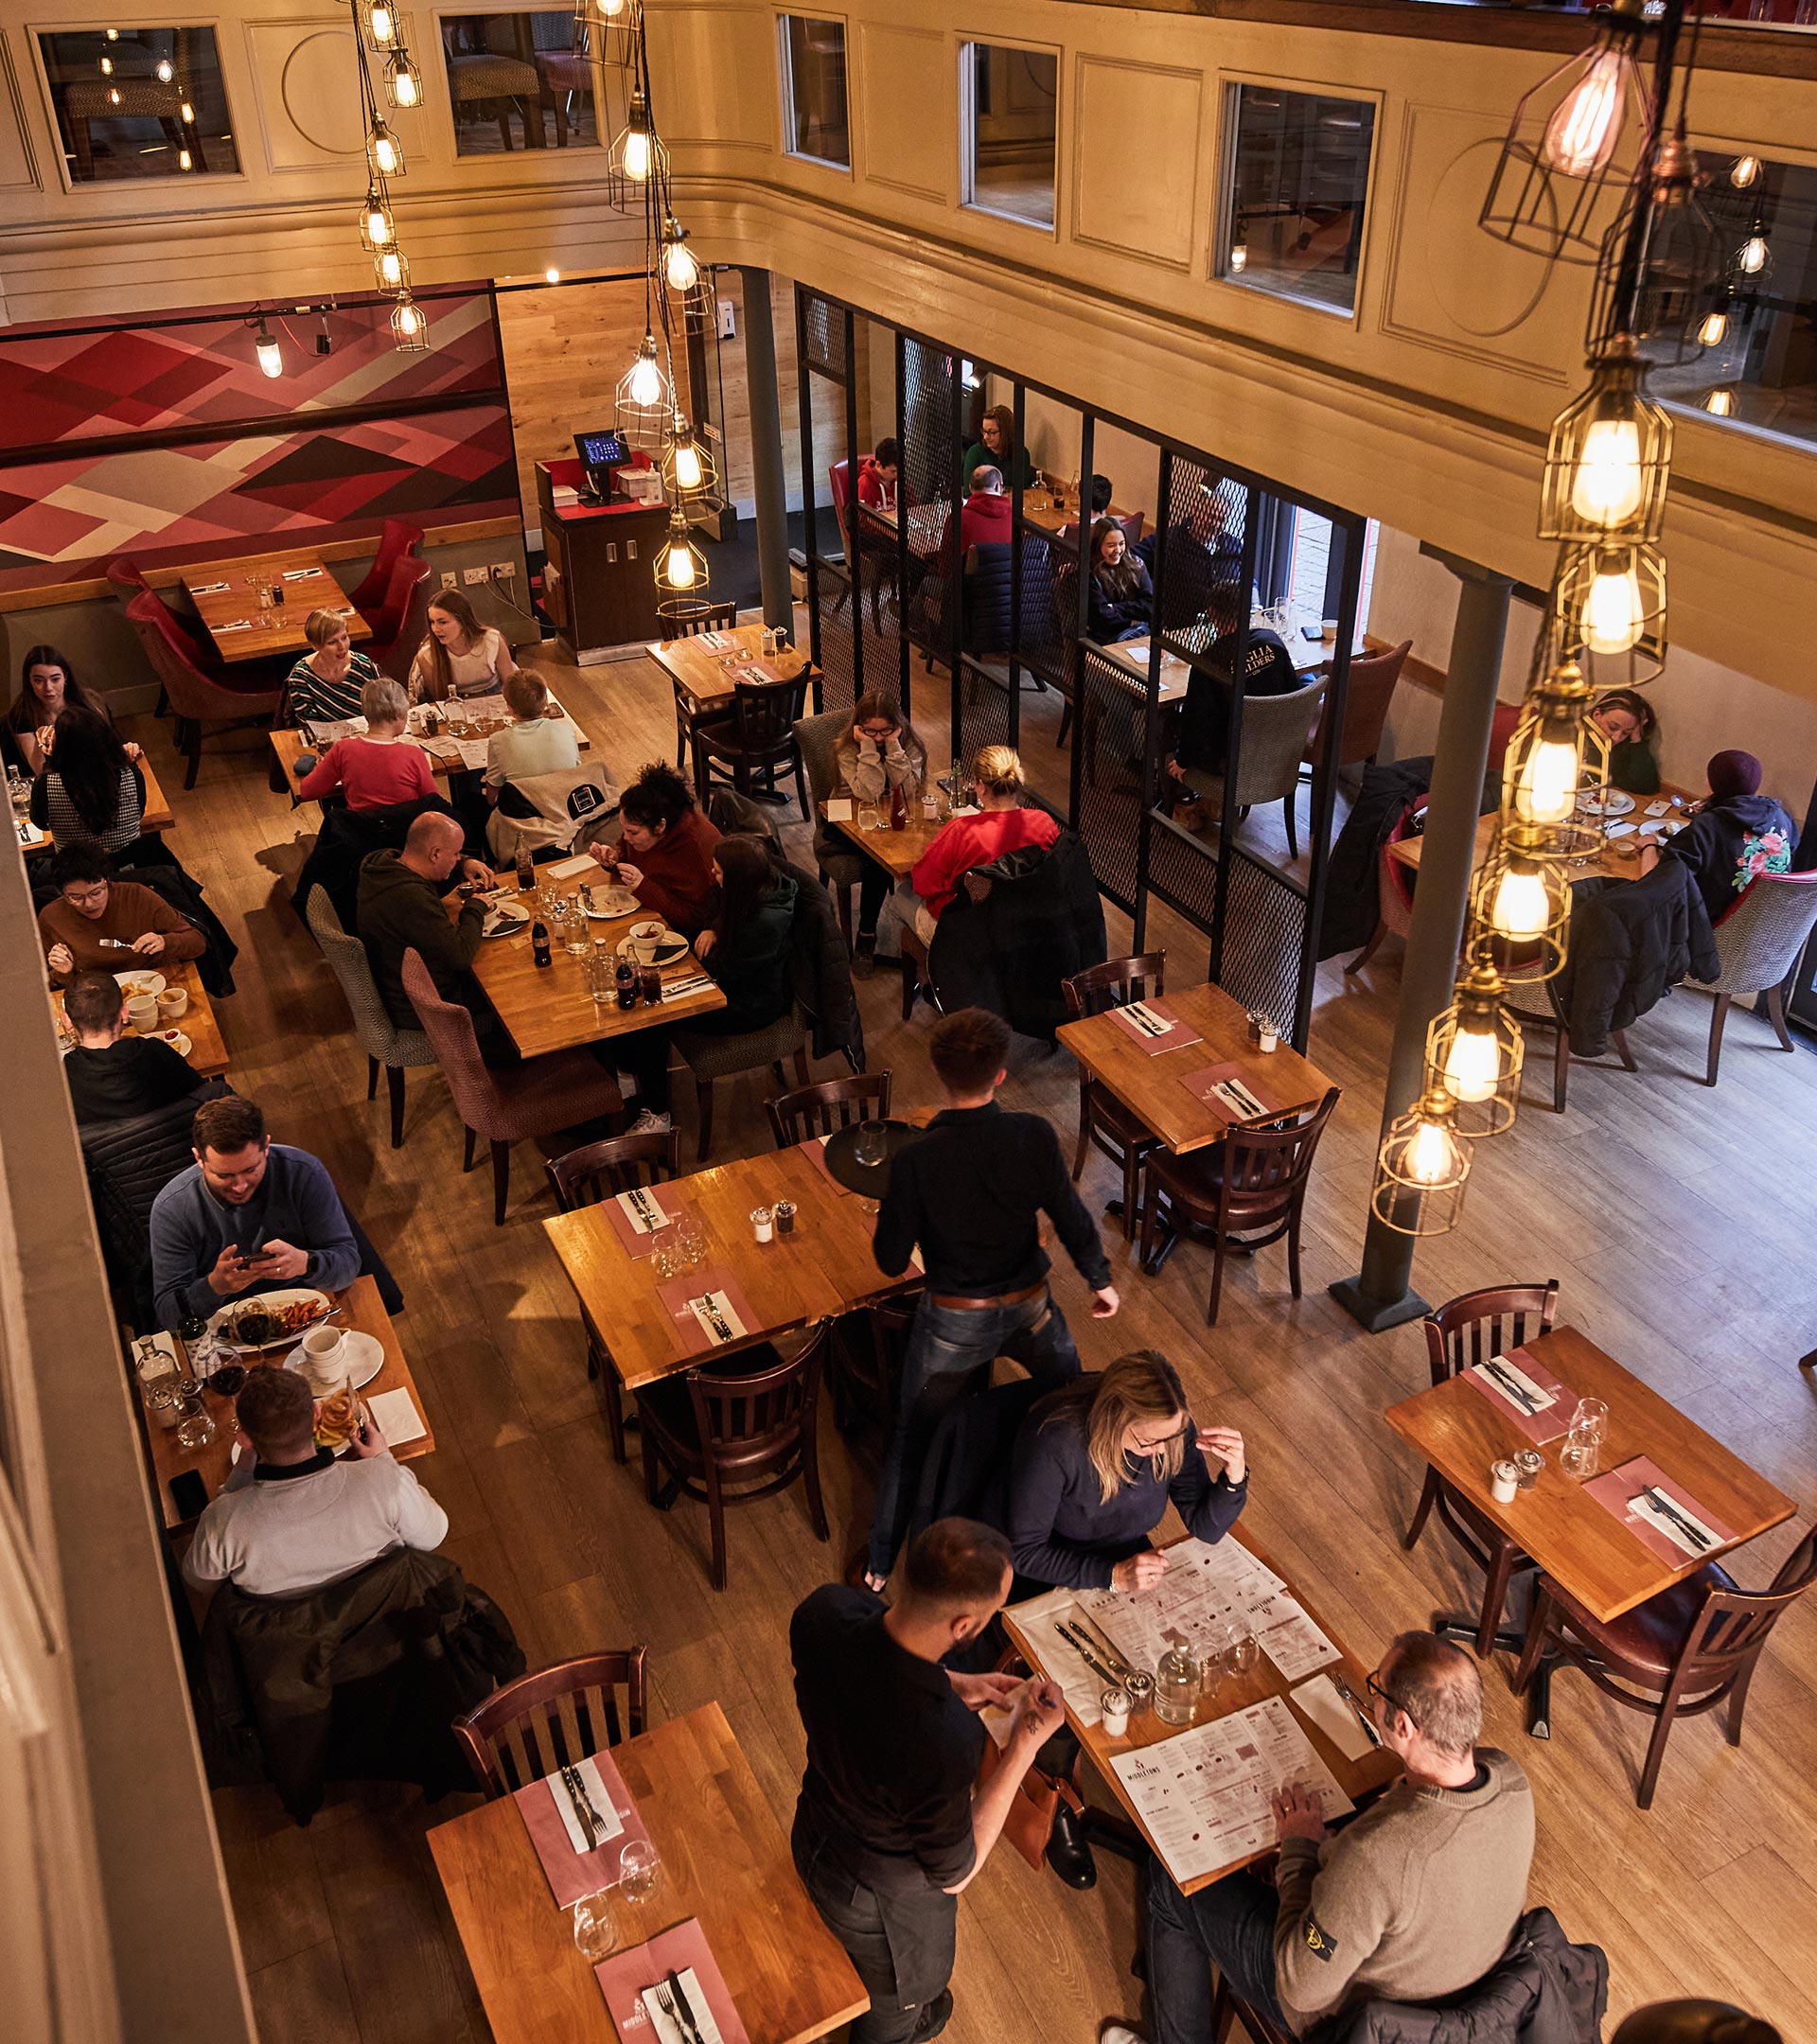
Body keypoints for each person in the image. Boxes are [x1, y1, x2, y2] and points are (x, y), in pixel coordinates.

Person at [1103, 1631, 1534, 2044]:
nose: (1369, 1697)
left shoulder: (1378, 1858)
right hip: (1454, 1994)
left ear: (1402, 1725)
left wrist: (1298, 1852)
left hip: (1343, 2018)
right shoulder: (1510, 1777)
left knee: (1169, 1877)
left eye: (1376, 1690)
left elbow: (1301, 1987)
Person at [864, 1007, 1119, 1591]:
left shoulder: (916, 1161)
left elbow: (887, 1259)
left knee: (911, 1434)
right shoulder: (1031, 1136)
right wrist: (1099, 1279)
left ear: (936, 1070)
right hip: (1031, 1308)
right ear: (1001, 1073)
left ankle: (881, 1564)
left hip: (953, 1323)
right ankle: (1082, 1531)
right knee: (1075, 1412)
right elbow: (1071, 1216)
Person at [790, 1517, 1068, 2044]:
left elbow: (874, 1668)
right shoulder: (939, 1745)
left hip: (813, 1830)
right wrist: (1024, 1746)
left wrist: (953, 1682)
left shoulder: (824, 1611)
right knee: (892, 2011)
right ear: (964, 1626)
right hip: (879, 1903)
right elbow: (956, 1873)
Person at [1002, 1352, 1249, 1885]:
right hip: (1051, 1576)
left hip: (1126, 1566)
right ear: (1114, 1420)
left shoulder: (1170, 1435)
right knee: (1069, 1697)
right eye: (1150, 1443)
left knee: (1171, 1670)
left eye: (1174, 1438)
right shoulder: (1057, 1443)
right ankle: (1058, 1795)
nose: (1164, 1452)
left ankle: (1161, 1786)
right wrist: (1112, 1576)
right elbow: (1023, 1551)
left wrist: (1233, 1475)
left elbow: (1204, 1525)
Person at [182, 1364, 449, 1596]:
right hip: (389, 1630)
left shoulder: (222, 1522)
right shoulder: (384, 1481)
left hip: (297, 1649)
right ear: (316, 1412)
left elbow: (201, 1583)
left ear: (244, 1440)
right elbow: (434, 1534)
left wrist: (238, 1478)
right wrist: (383, 1459)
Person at [613, 836, 799, 1131]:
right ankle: (633, 1074)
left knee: (653, 1015)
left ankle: (659, 1115)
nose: (712, 875)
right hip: (728, 982)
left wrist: (689, 968)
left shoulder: (765, 922)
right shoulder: (751, 889)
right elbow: (713, 898)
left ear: (737, 878)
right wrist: (713, 928)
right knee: (644, 993)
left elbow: (732, 969)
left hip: (749, 1004)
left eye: (719, 872)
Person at [150, 1095, 362, 1331]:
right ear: (199, 1159)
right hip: (223, 1325)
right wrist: (214, 1287)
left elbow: (348, 1266)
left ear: (267, 1147)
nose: (239, 1186)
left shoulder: (303, 1173)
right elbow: (169, 1316)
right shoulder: (172, 1209)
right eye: (224, 1176)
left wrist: (306, 1263)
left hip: (307, 1312)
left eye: (251, 1170)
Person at [356, 811, 502, 1052]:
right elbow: (460, 956)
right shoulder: (410, 897)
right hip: (425, 1006)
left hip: (398, 986)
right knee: (505, 990)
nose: (458, 859)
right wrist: (475, 906)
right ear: (435, 853)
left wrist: (463, 864)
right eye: (455, 854)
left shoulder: (384, 867)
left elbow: (413, 921)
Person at [906, 746, 1058, 945]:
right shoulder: (1044, 823)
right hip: (1027, 928)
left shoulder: (962, 831)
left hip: (972, 933)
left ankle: (927, 971)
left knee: (901, 894)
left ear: (981, 787)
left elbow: (923, 884)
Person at [831, 690, 928, 975]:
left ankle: (925, 929)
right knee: (877, 864)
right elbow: (868, 792)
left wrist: (895, 747)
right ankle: (866, 936)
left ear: (897, 725)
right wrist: (870, 750)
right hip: (850, 822)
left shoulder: (907, 743)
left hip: (895, 817)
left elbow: (910, 788)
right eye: (870, 731)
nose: (877, 737)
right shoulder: (847, 748)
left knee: (930, 852)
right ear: (859, 728)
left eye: (885, 730)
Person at [1641, 749, 1798, 925]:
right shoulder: (1782, 817)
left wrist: (1649, 845)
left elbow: (1655, 885)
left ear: (1711, 783)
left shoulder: (1707, 827)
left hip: (1710, 934)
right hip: (1764, 929)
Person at [39, 843, 205, 989]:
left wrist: (165, 941)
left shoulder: (138, 896)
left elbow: (197, 942)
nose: (89, 904)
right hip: (96, 997)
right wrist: (63, 973)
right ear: (62, 894)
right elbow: (44, 984)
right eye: (76, 897)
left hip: (156, 983)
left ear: (107, 882)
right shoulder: (51, 917)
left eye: (96, 893)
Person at [58, 968, 201, 1125]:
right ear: (125, 1013)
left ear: (67, 1022)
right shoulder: (156, 1052)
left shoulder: (64, 1080)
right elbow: (202, 1099)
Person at [604, 761, 722, 935]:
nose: (626, 838)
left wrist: (643, 886)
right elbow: (627, 851)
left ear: (660, 826)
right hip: (649, 912)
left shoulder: (694, 849)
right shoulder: (648, 828)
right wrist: (614, 858)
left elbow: (697, 921)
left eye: (632, 832)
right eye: (624, 830)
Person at [296, 676, 436, 811]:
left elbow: (307, 791)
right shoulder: (414, 755)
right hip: (408, 831)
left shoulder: (343, 749)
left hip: (361, 831)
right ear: (398, 715)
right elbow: (433, 802)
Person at [27, 703, 151, 857]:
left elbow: (40, 823)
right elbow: (139, 812)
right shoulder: (131, 773)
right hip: (130, 868)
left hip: (77, 876)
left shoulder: (46, 784)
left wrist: (50, 761)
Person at [7, 643, 137, 777]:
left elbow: (113, 746)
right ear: (29, 681)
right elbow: (39, 771)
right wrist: (42, 741)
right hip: (54, 782)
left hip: (93, 774)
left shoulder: (88, 702)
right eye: (38, 680)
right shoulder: (22, 714)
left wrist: (128, 748)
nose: (48, 688)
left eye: (55, 679)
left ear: (65, 677)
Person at [1137, 482, 1246, 639]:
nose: (1215, 524)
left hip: (1226, 632)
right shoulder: (1169, 540)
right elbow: (1132, 561)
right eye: (1211, 516)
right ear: (1195, 511)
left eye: (1221, 520)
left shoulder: (1233, 546)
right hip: (1179, 630)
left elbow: (1249, 581)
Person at [484, 666, 582, 805]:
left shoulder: (498, 740)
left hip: (526, 815)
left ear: (510, 708)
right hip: (566, 806)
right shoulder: (566, 729)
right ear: (546, 701)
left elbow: (492, 794)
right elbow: (577, 771)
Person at [406, 588, 517, 703]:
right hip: (457, 705)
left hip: (496, 698)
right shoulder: (426, 655)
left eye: (442, 622)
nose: (435, 629)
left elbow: (511, 687)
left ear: (462, 621)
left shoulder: (491, 640)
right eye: (432, 622)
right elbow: (440, 701)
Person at [286, 608, 381, 727]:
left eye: (344, 637)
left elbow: (382, 710)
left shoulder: (364, 666)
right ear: (315, 646)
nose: (342, 647)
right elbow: (309, 724)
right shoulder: (301, 676)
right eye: (332, 642)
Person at [1085, 519, 1155, 644]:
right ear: (1098, 545)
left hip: (1139, 636)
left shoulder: (1136, 564)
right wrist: (1133, 620)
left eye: (1121, 543)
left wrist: (1115, 608)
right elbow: (1101, 619)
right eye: (1111, 545)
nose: (1117, 550)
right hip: (1104, 643)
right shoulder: (1089, 572)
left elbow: (1150, 607)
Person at [1590, 689, 1661, 796]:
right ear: (1597, 715)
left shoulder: (1621, 747)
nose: (1616, 738)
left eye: (1626, 732)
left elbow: (1647, 786)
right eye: (1612, 727)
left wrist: (1636, 738)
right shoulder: (1572, 739)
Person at [961, 404, 1035, 496]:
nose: (986, 437)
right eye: (984, 431)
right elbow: (969, 492)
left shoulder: (1020, 454)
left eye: (992, 432)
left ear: (1005, 432)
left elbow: (1022, 492)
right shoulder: (975, 453)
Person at [856, 436, 903, 516]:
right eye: (893, 471)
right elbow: (863, 519)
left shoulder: (900, 480)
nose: (897, 475)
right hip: (877, 527)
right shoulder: (865, 483)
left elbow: (913, 508)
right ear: (878, 465)